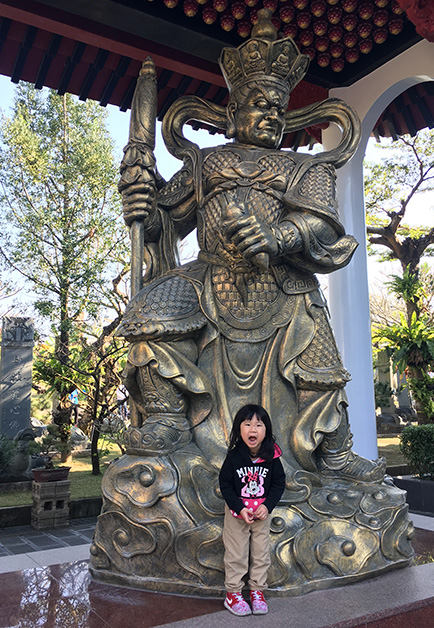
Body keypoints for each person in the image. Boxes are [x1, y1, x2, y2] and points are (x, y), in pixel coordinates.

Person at [117, 10, 385, 482]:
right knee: (146, 318)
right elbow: (167, 220)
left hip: (283, 283)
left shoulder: (305, 168)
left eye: (278, 109)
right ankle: (167, 417)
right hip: (210, 277)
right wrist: (144, 201)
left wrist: (278, 236)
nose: (271, 115)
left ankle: (334, 452)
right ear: (233, 111)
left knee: (320, 368)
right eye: (260, 104)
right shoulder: (204, 164)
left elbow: (323, 226)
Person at [219, 404, 285, 616]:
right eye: (247, 424)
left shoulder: (272, 457)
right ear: (239, 429)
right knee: (236, 553)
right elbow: (225, 485)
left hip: (261, 514)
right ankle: (233, 594)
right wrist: (239, 508)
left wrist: (267, 506)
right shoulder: (234, 457)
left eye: (258, 425)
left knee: (261, 553)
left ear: (266, 430)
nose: (253, 429)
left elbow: (278, 484)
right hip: (237, 514)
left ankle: (257, 591)